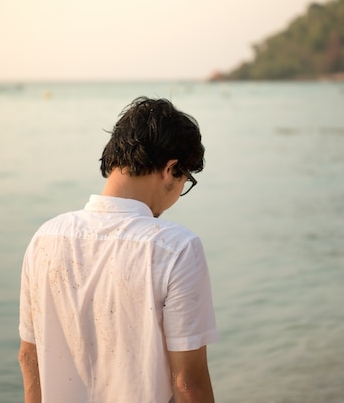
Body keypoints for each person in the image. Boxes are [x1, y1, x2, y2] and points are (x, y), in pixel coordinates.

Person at [18, 97, 219, 403]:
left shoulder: (45, 237)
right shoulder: (175, 248)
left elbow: (28, 358)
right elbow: (187, 382)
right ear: (170, 169)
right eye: (185, 181)